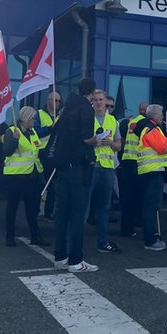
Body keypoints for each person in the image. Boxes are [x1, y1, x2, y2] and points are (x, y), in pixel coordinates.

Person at [53, 78, 98, 272]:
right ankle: (76, 260)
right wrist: (97, 140)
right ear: (93, 92)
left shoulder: (66, 108)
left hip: (63, 166)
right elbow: (86, 137)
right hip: (79, 167)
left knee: (63, 213)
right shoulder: (86, 108)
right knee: (78, 215)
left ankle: (60, 256)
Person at [3, 106, 49, 247]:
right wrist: (15, 140)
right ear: (25, 118)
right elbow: (7, 151)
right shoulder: (11, 131)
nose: (34, 121)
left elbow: (37, 151)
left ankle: (35, 235)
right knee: (12, 207)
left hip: (31, 176)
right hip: (16, 176)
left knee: (32, 208)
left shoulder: (33, 132)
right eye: (33, 118)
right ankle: (9, 236)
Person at [134, 104, 167, 251]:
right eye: (161, 114)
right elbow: (163, 147)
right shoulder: (152, 128)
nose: (163, 116)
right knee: (151, 207)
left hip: (148, 172)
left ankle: (150, 237)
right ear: (154, 115)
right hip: (153, 172)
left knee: (149, 206)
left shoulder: (147, 128)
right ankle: (150, 240)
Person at [88, 89, 123, 253]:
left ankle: (103, 241)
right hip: (92, 166)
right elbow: (82, 141)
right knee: (84, 206)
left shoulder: (113, 121)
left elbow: (118, 145)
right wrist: (95, 142)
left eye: (101, 99)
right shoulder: (88, 118)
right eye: (96, 99)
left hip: (108, 168)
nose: (99, 102)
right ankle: (75, 240)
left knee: (105, 207)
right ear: (92, 102)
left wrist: (109, 143)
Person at [118, 101, 148, 239]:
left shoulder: (132, 122)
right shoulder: (146, 124)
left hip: (126, 161)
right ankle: (135, 225)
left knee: (127, 197)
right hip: (137, 162)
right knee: (138, 197)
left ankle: (126, 227)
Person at [34, 91, 61, 221]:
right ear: (48, 100)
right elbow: (37, 132)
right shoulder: (39, 114)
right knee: (42, 182)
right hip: (43, 153)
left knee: (54, 183)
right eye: (55, 100)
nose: (57, 104)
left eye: (59, 101)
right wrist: (51, 128)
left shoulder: (60, 116)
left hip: (56, 153)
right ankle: (37, 208)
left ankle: (49, 211)